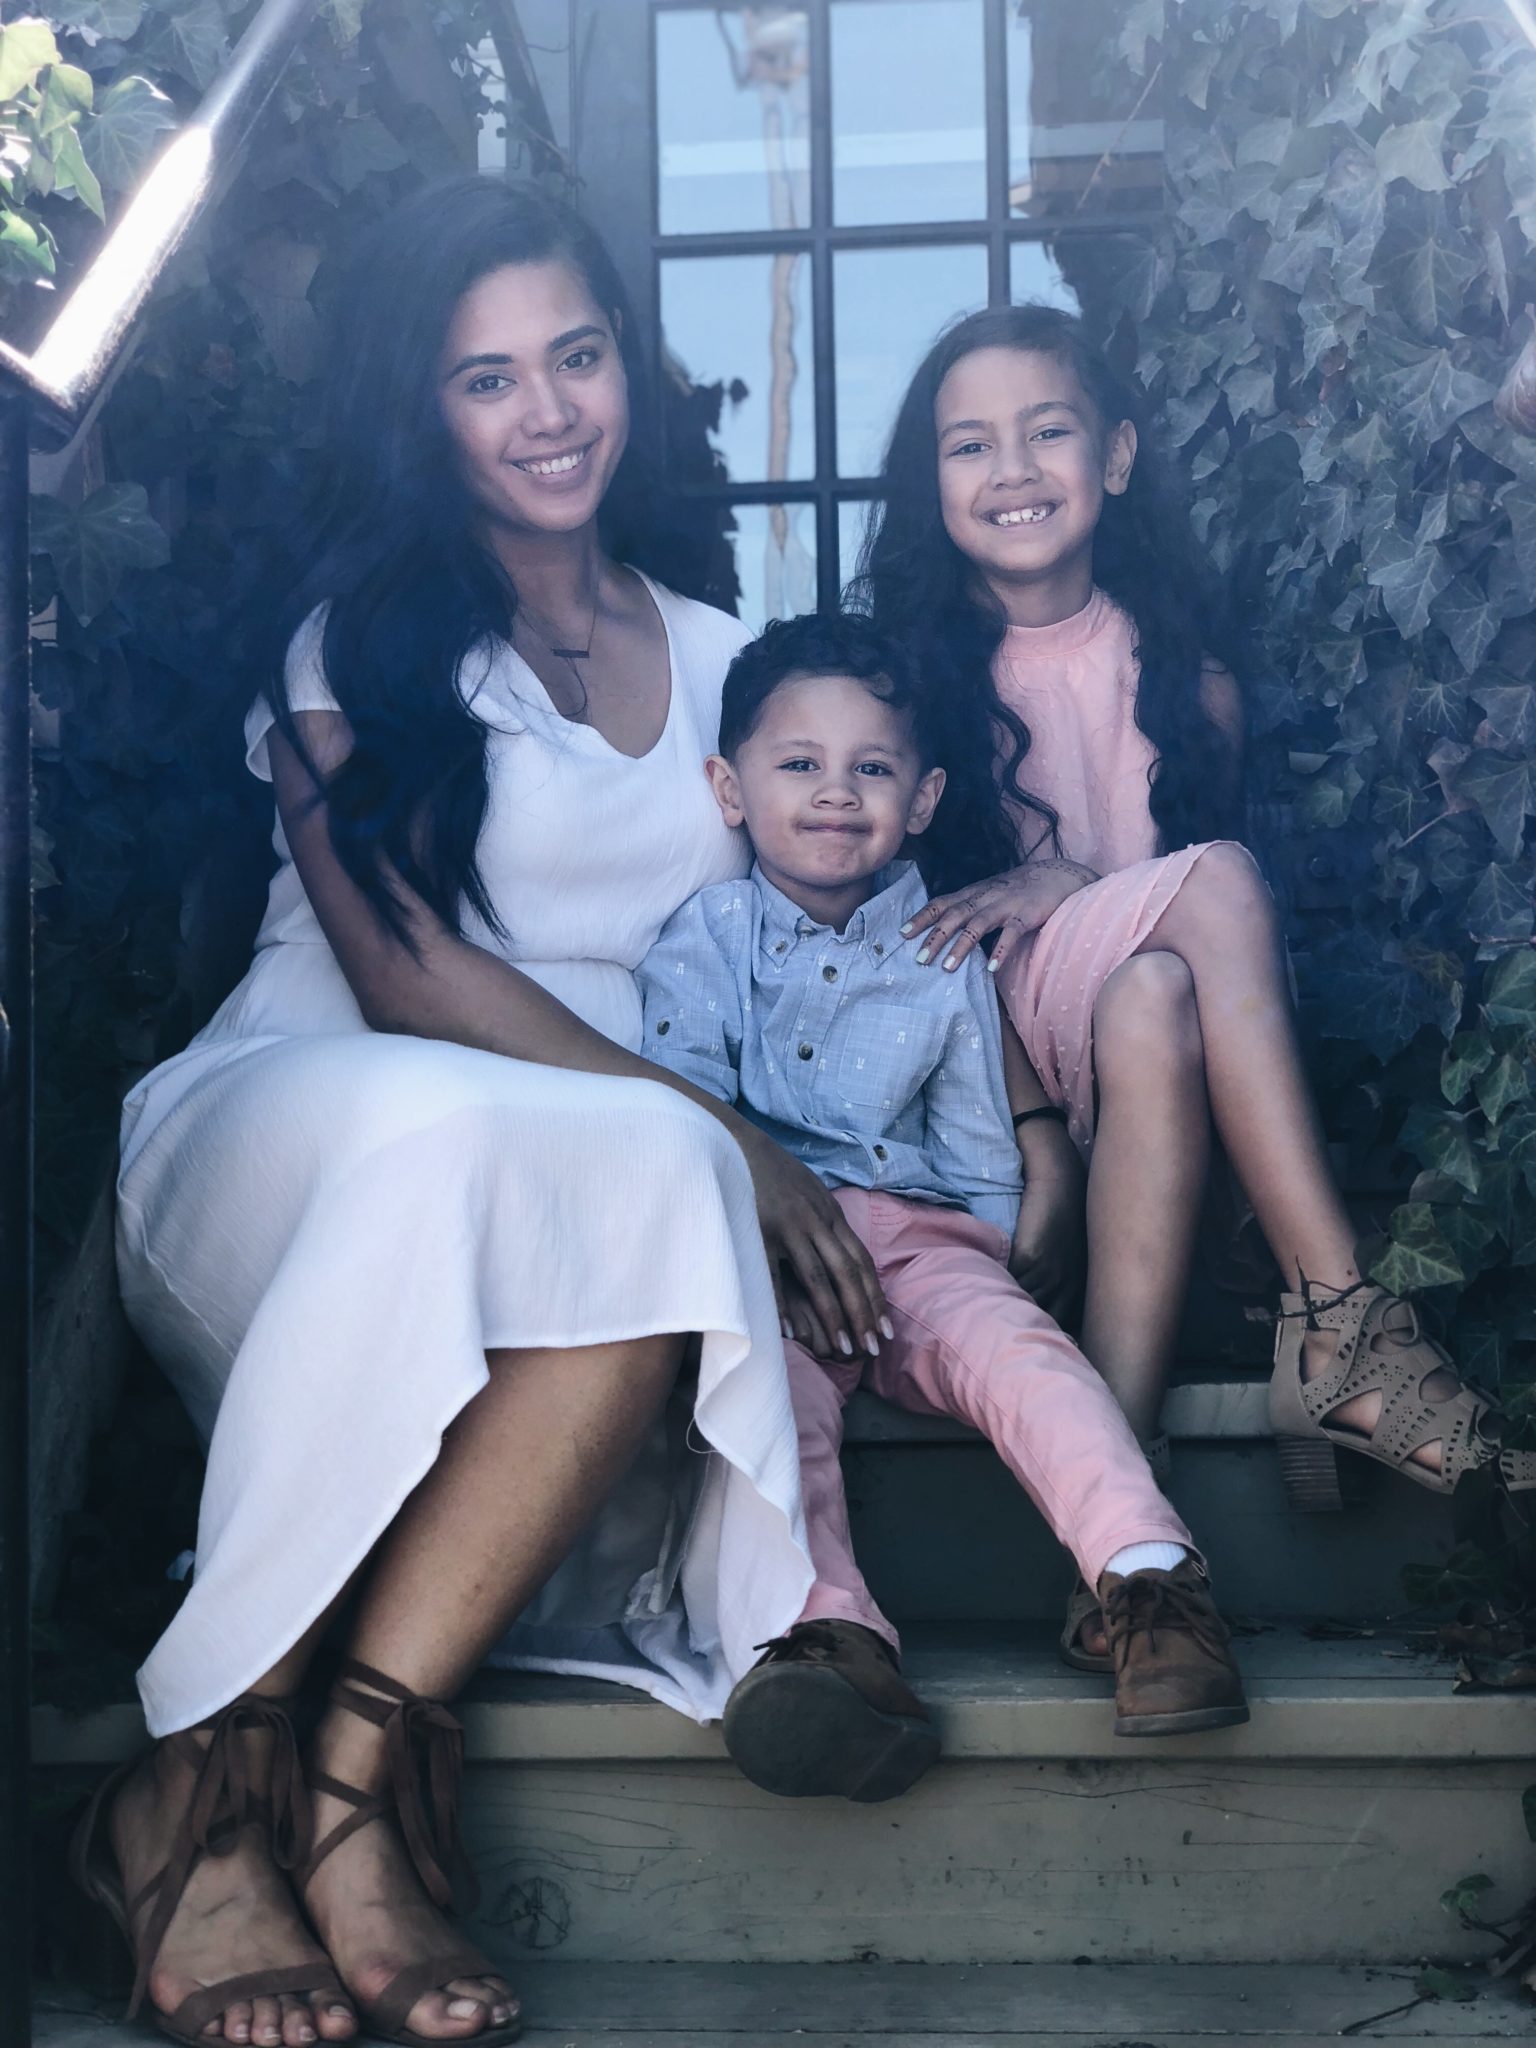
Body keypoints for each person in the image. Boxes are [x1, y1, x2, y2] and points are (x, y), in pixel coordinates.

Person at [77, 179, 893, 2048]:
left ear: (628, 370)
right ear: (422, 409)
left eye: (575, 357)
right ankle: (194, 1789)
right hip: (293, 1136)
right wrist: (729, 1138)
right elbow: (405, 971)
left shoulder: (724, 651)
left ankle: (350, 1792)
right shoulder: (354, 641)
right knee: (543, 1142)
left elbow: (825, 907)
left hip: (565, 1198)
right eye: (486, 376)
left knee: (631, 1179)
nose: (547, 412)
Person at [853, 304, 1535, 1672]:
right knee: (1210, 884)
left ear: (1114, 458)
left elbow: (1208, 964)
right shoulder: (907, 683)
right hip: (990, 1062)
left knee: (1164, 985)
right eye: (970, 444)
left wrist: (1078, 889)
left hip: (1148, 1062)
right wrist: (1055, 919)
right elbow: (904, 941)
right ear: (932, 483)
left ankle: (1113, 1526)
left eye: (1047, 431)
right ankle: (1339, 1316)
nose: (1012, 469)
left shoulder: (1185, 678)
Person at [636, 610, 1249, 1804]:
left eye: (872, 767)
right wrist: (749, 1237)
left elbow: (975, 1127)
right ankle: (831, 1638)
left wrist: (1010, 1238)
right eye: (798, 763)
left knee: (1029, 1363)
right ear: (729, 787)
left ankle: (1150, 1582)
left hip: (927, 1249)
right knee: (769, 1410)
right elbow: (684, 1108)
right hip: (772, 1258)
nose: (836, 792)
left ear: (922, 800)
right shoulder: (707, 937)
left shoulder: (941, 944)